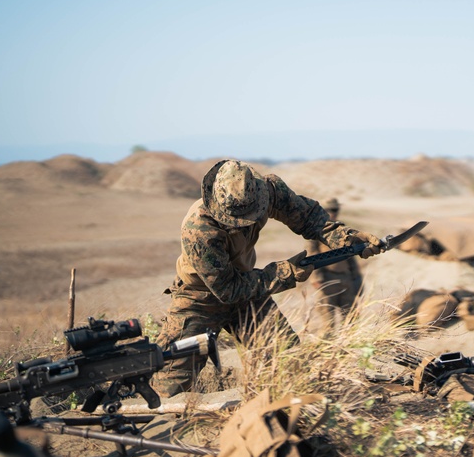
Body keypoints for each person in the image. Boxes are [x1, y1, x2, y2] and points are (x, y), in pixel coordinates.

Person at [154, 159, 383, 395]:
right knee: (169, 388)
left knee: (287, 362)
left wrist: (345, 237)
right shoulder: (199, 229)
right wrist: (285, 272)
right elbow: (228, 289)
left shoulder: (267, 190)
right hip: (199, 299)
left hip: (249, 291)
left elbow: (307, 216)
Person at [304, 198, 364, 332]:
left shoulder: (343, 229)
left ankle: (351, 350)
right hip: (327, 280)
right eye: (329, 210)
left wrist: (357, 279)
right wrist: (316, 278)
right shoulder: (315, 229)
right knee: (328, 325)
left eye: (335, 210)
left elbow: (351, 256)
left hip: (346, 279)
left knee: (351, 321)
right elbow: (311, 254)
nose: (333, 213)